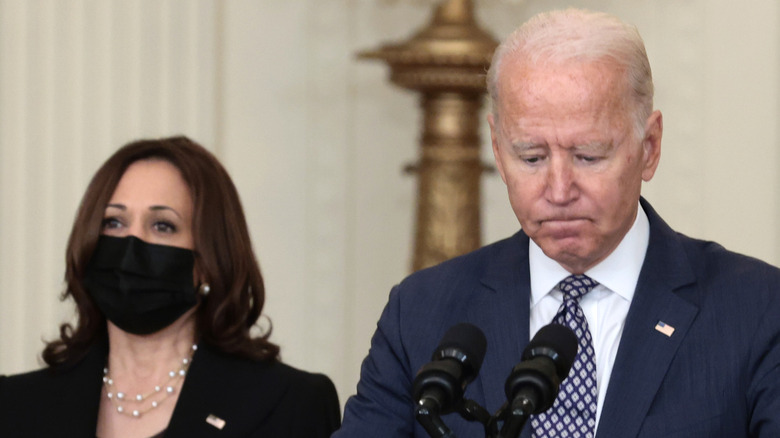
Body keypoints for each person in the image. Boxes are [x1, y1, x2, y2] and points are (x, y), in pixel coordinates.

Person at [334, 8, 780, 438]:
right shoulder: (421, 311)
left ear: (649, 147)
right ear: (497, 149)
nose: (560, 189)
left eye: (588, 156)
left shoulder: (756, 311)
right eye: (531, 157)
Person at [0, 136, 340, 437]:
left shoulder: (289, 404)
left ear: (209, 260)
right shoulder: (15, 406)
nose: (131, 244)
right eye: (113, 222)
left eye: (162, 225)